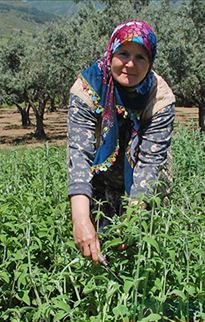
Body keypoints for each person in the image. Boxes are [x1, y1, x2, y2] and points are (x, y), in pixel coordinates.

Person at [67, 20, 175, 265]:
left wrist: (133, 222)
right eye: (123, 53)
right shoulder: (88, 87)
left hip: (145, 182)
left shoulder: (159, 97)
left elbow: (149, 163)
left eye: (141, 57)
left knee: (140, 252)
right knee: (92, 246)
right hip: (98, 178)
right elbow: (79, 155)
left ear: (150, 62)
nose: (130, 64)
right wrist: (81, 220)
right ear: (111, 52)